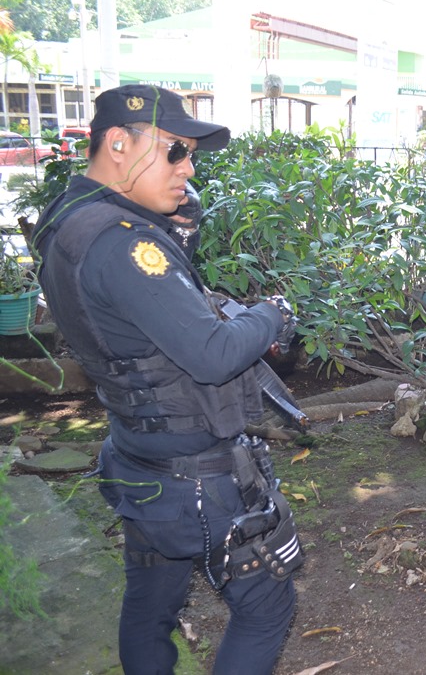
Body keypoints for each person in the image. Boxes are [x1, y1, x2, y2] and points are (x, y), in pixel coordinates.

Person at [31, 84, 301, 675]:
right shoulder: (125, 246)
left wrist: (177, 233)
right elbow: (211, 352)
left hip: (140, 457)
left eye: (191, 155)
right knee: (266, 607)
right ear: (119, 144)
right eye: (174, 151)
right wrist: (273, 312)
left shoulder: (72, 220)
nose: (188, 167)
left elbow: (137, 325)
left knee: (150, 607)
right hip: (194, 478)